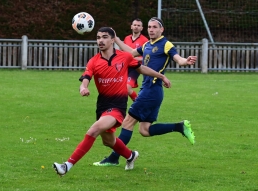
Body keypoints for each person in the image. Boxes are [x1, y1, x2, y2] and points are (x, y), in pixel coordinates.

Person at [53, 27, 172, 177]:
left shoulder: (124, 57)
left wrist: (161, 77)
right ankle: (130, 155)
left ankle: (67, 166)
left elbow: (141, 69)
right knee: (109, 141)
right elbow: (86, 77)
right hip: (102, 106)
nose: (100, 40)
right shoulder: (94, 61)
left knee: (93, 131)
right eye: (98, 37)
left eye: (104, 37)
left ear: (112, 39)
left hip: (117, 107)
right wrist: (83, 87)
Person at [93, 17, 197, 167]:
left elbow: (177, 58)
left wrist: (185, 61)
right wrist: (116, 39)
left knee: (128, 122)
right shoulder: (147, 44)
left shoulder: (165, 44)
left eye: (155, 27)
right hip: (151, 91)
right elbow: (130, 53)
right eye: (149, 27)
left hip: (151, 91)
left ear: (162, 30)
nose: (151, 30)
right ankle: (179, 126)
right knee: (145, 130)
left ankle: (114, 158)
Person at [124, 18, 149, 101]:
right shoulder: (126, 39)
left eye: (138, 25)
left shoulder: (145, 41)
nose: (136, 27)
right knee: (120, 89)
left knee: (127, 88)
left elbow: (146, 57)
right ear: (131, 26)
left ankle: (139, 104)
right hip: (125, 67)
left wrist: (134, 58)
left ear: (142, 28)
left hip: (136, 67)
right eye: (134, 25)